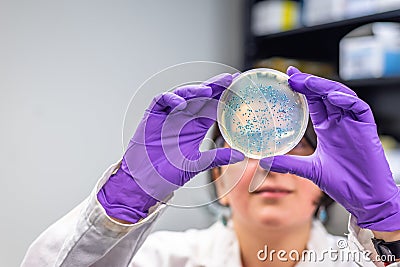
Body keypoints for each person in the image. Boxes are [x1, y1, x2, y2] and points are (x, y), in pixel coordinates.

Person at [21, 67, 400, 267]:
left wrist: (388, 226)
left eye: (293, 150)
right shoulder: (163, 259)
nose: (271, 169)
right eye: (250, 149)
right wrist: (124, 199)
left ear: (324, 185)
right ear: (216, 176)